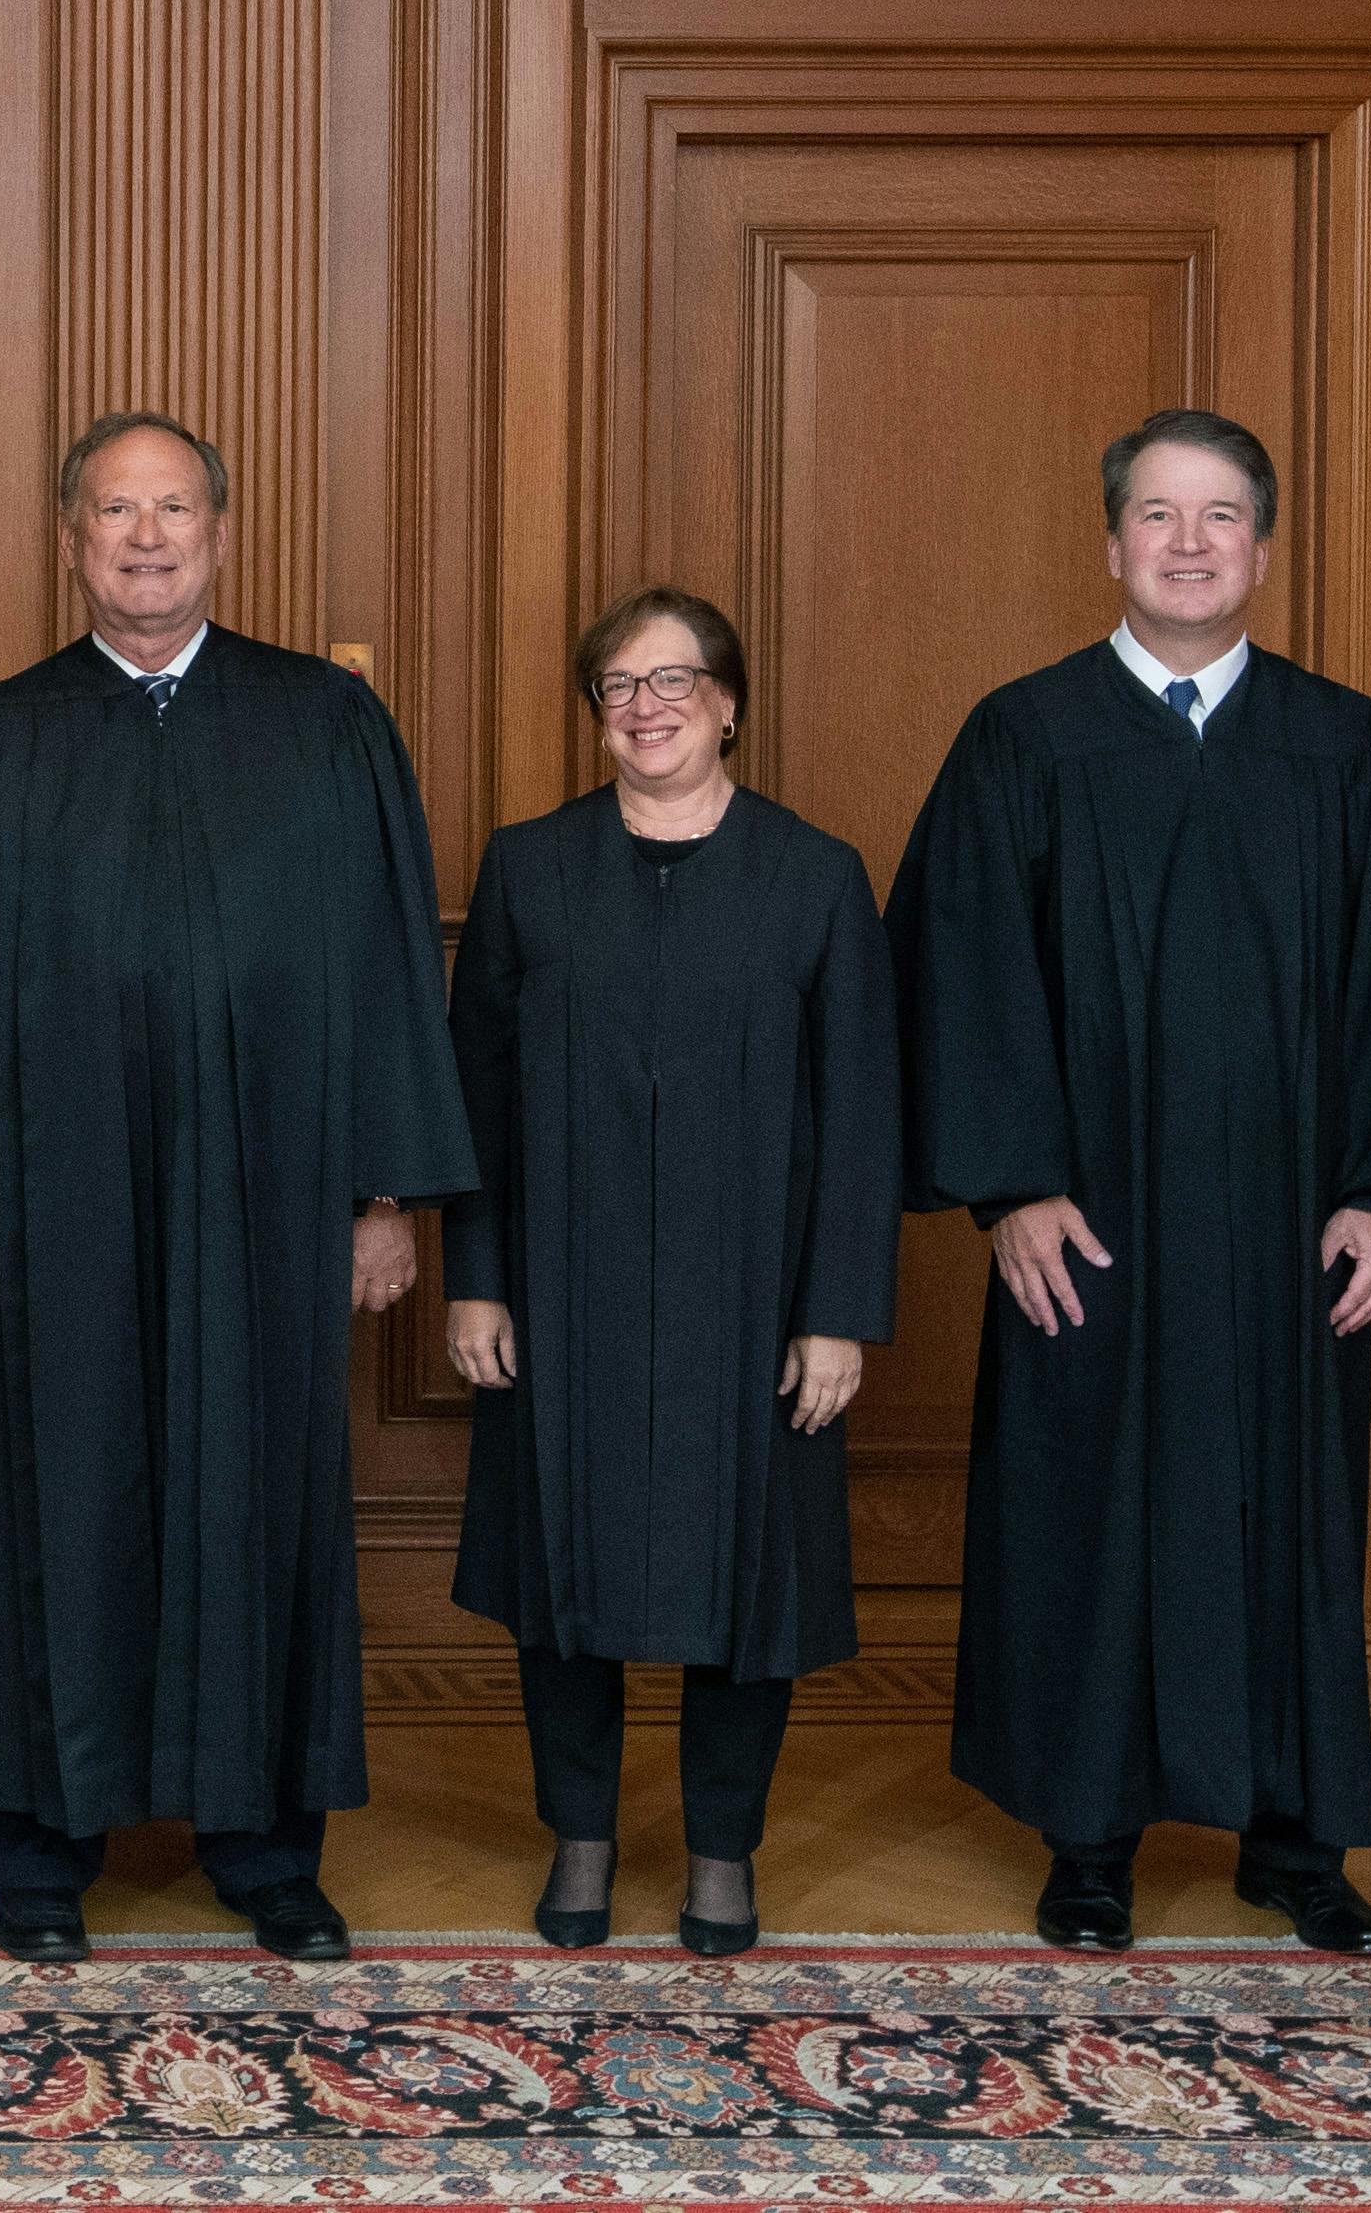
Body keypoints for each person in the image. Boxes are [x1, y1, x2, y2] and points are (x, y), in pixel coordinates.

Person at [893, 407, 1371, 1957]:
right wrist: (1013, 1184)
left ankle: (1294, 1837)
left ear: (1262, 544)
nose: (1188, 542)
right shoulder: (1024, 734)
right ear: (1110, 542)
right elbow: (958, 970)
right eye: (1160, 515)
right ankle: (1088, 1836)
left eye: (1222, 514)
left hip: (1282, 1226)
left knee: (1286, 1506)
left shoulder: (1341, 744)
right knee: (1085, 1509)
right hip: (1089, 1227)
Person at [0, 412, 473, 1965]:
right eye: (113, 510)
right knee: (47, 1487)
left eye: (172, 509)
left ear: (220, 531)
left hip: (268, 1193)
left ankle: (264, 1841)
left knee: (256, 1490)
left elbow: (382, 965)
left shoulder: (323, 724)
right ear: (67, 537)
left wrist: (384, 1195)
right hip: (43, 1207)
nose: (145, 537)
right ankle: (38, 1845)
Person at [440, 588, 898, 1961]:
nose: (646, 707)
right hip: (562, 1288)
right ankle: (578, 1831)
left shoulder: (816, 875)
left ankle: (719, 1849)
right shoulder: (529, 867)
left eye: (674, 679)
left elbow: (864, 1115)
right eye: (617, 686)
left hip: (751, 1298)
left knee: (745, 1585)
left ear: (731, 700)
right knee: (559, 1576)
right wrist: (477, 1276)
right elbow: (475, 1097)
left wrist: (837, 1314)